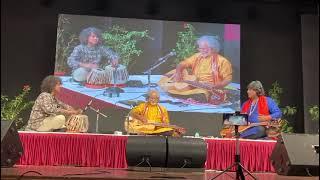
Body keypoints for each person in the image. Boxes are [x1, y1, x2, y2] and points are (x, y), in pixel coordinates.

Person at [158, 35, 233, 104]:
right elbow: (182, 64)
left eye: (204, 48)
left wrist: (215, 85)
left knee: (201, 94)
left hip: (208, 88)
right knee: (172, 89)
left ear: (213, 48)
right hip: (193, 84)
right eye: (200, 48)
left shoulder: (223, 61)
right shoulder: (197, 56)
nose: (202, 50)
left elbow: (228, 79)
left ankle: (190, 96)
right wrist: (178, 72)